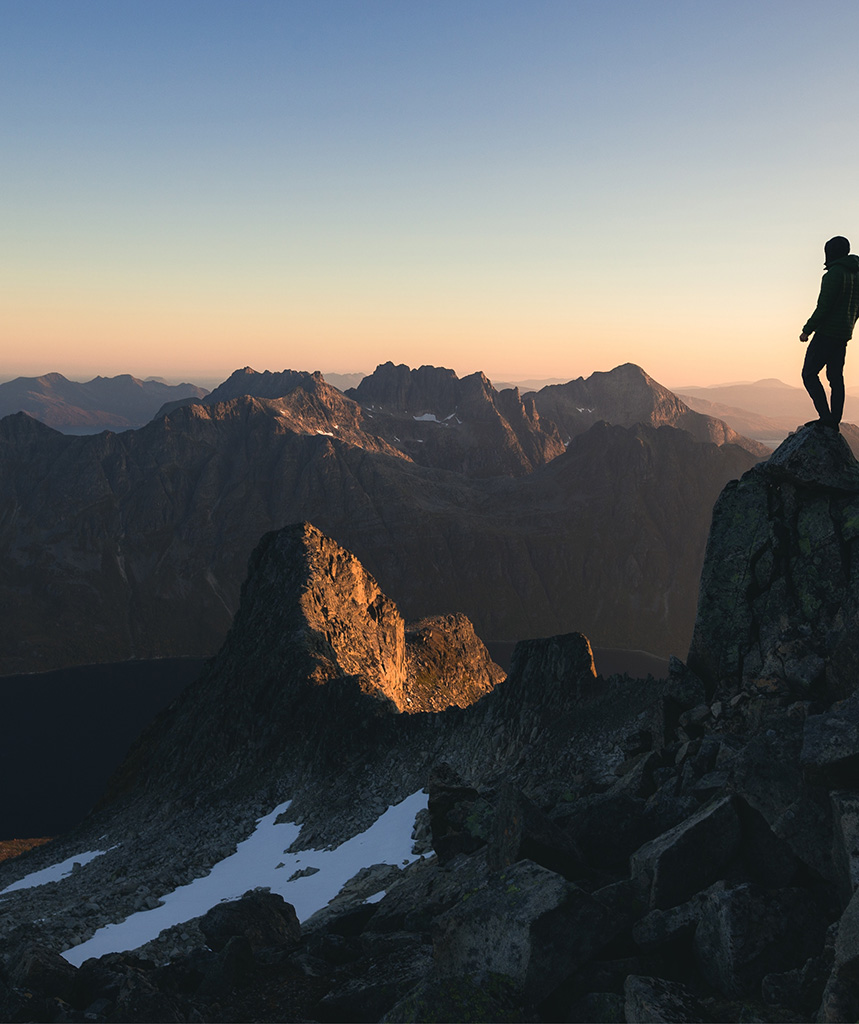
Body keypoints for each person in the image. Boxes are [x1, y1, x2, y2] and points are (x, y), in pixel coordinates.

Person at [800, 235, 859, 430]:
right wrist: (849, 324)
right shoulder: (856, 275)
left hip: (827, 333)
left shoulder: (834, 274)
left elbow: (823, 307)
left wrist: (807, 330)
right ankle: (834, 420)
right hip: (843, 334)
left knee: (809, 373)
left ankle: (825, 417)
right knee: (835, 377)